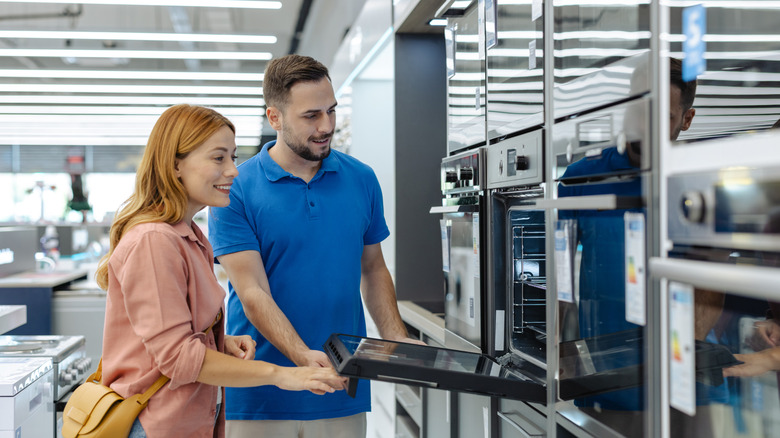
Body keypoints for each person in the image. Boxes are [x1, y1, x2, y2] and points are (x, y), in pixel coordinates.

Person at [94, 104, 344, 438]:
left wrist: (217, 341)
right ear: (175, 165)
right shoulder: (154, 241)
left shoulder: (191, 238)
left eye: (233, 157)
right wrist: (281, 375)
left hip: (187, 420)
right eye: (219, 158)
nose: (233, 171)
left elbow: (166, 335)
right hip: (156, 425)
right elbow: (178, 359)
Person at [208, 54, 417, 438]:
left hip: (342, 385)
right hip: (259, 394)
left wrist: (394, 333)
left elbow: (372, 267)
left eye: (331, 111)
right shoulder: (235, 187)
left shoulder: (362, 179)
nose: (326, 126)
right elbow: (251, 291)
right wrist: (302, 358)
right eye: (311, 116)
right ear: (275, 118)